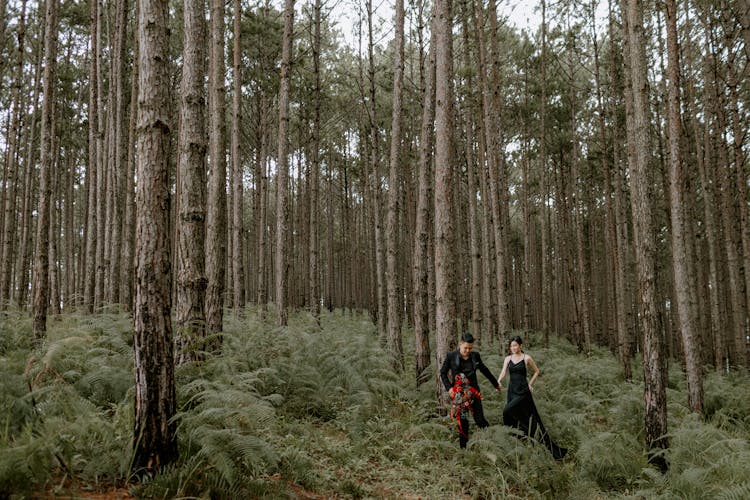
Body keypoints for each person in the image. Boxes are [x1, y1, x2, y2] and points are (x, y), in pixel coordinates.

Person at [497, 335, 567, 460]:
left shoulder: (526, 358)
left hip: (523, 391)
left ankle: (543, 443)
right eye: (511, 346)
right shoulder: (508, 359)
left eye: (515, 345)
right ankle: (519, 437)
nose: (513, 348)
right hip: (512, 390)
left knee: (509, 411)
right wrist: (498, 381)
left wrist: (530, 384)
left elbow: (536, 371)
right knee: (517, 414)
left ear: (520, 346)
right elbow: (503, 372)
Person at [440, 333, 500, 448]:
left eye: (470, 348)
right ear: (460, 344)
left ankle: (493, 441)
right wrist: (449, 388)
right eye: (465, 348)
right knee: (463, 422)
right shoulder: (451, 356)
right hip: (460, 394)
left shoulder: (475, 356)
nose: (468, 350)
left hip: (474, 392)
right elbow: (443, 372)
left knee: (480, 420)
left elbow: (484, 370)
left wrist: (495, 384)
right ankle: (463, 449)